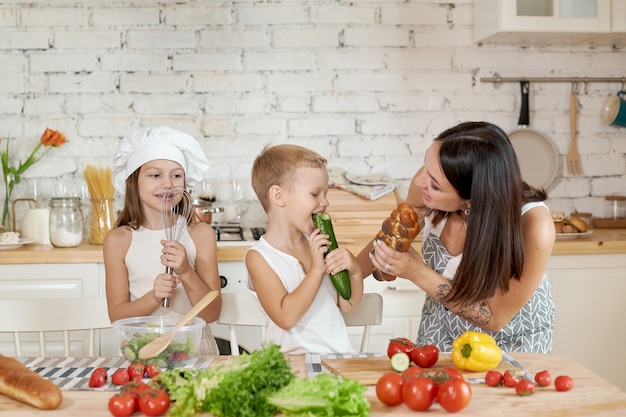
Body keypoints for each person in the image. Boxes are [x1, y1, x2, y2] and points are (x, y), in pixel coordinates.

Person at [358, 121, 555, 353]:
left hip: (509, 342)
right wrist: (344, 278)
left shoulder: (534, 226)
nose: (421, 182)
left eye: (435, 185)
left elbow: (495, 317)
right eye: (425, 166)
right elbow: (393, 236)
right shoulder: (426, 181)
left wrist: (416, 272)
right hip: (440, 327)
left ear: (471, 199)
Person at [104, 126, 222, 355]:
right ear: (132, 182)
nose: (168, 184)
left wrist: (186, 271)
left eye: (176, 175)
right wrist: (154, 296)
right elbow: (117, 317)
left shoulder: (200, 234)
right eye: (155, 175)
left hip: (196, 352)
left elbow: (212, 313)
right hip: (144, 351)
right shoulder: (118, 241)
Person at [246, 144, 365, 354]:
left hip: (338, 357)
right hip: (291, 364)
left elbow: (349, 305)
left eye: (325, 194)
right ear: (278, 196)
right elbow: (286, 317)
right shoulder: (260, 258)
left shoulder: (321, 243)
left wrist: (354, 270)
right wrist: (316, 270)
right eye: (315, 194)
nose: (325, 201)